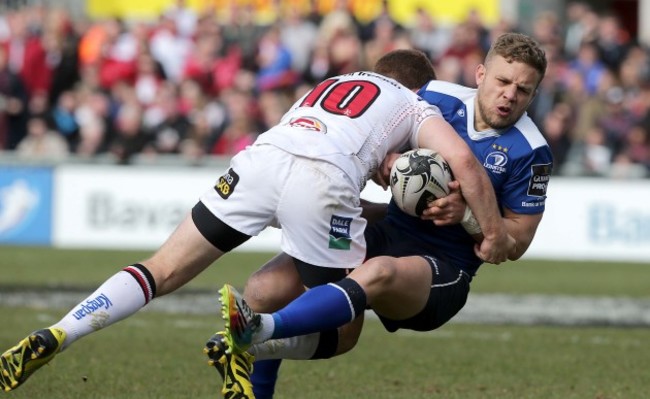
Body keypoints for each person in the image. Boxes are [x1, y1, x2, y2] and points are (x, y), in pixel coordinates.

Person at [0, 49, 513, 394]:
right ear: (420, 88)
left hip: (261, 160)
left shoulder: (334, 82)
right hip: (323, 180)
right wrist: (491, 233)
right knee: (345, 327)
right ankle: (255, 340)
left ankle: (59, 332)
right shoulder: (415, 105)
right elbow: (465, 164)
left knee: (161, 269)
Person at [207, 32, 552, 399]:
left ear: (533, 95)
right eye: (503, 81)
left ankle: (258, 332)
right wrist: (386, 161)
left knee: (379, 271)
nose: (510, 95)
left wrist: (468, 215)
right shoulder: (435, 98)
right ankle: (254, 372)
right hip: (385, 232)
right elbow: (373, 129)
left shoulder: (532, 151)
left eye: (523, 90)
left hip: (443, 268)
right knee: (264, 286)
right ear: (481, 74)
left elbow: (515, 243)